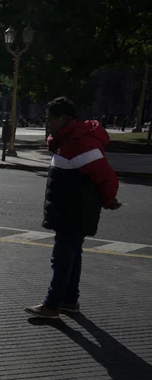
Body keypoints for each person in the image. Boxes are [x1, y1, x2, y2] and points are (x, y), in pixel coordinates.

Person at [25, 97, 122, 318]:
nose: (48, 124)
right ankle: (69, 300)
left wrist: (109, 199)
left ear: (66, 118)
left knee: (61, 258)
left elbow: (106, 177)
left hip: (74, 212)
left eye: (51, 119)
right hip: (70, 210)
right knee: (73, 255)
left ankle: (52, 305)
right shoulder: (66, 141)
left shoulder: (79, 143)